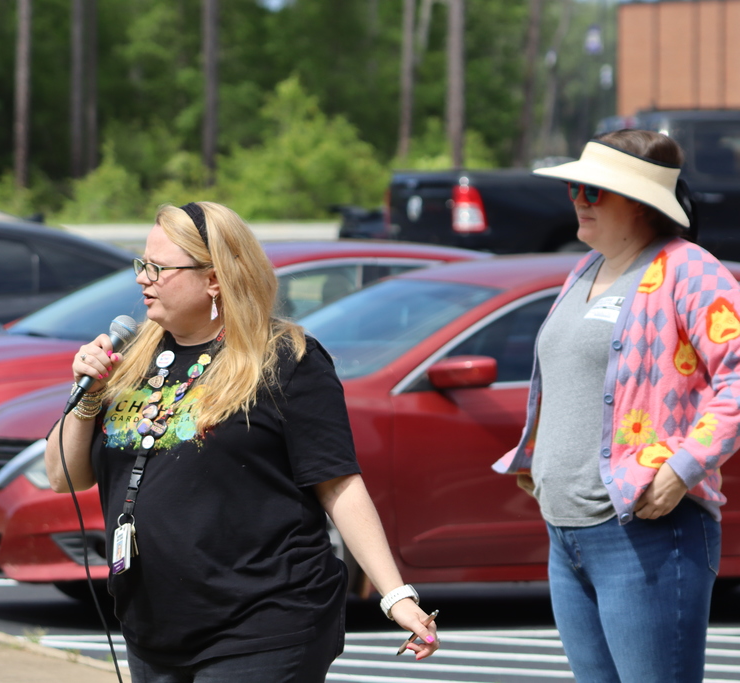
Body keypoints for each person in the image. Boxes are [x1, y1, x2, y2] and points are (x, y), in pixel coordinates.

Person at [45, 201, 439, 682]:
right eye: (141, 264)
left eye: (159, 268)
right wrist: (85, 395)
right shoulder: (132, 356)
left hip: (263, 624)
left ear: (214, 278)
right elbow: (63, 475)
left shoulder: (285, 360)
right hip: (155, 628)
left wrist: (395, 594)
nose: (142, 279)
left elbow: (338, 485)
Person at [493, 130, 736, 682]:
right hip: (567, 533)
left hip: (646, 534)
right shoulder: (584, 270)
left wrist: (681, 469)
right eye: (576, 186)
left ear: (642, 201)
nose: (578, 197)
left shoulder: (688, 268)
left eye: (594, 189)